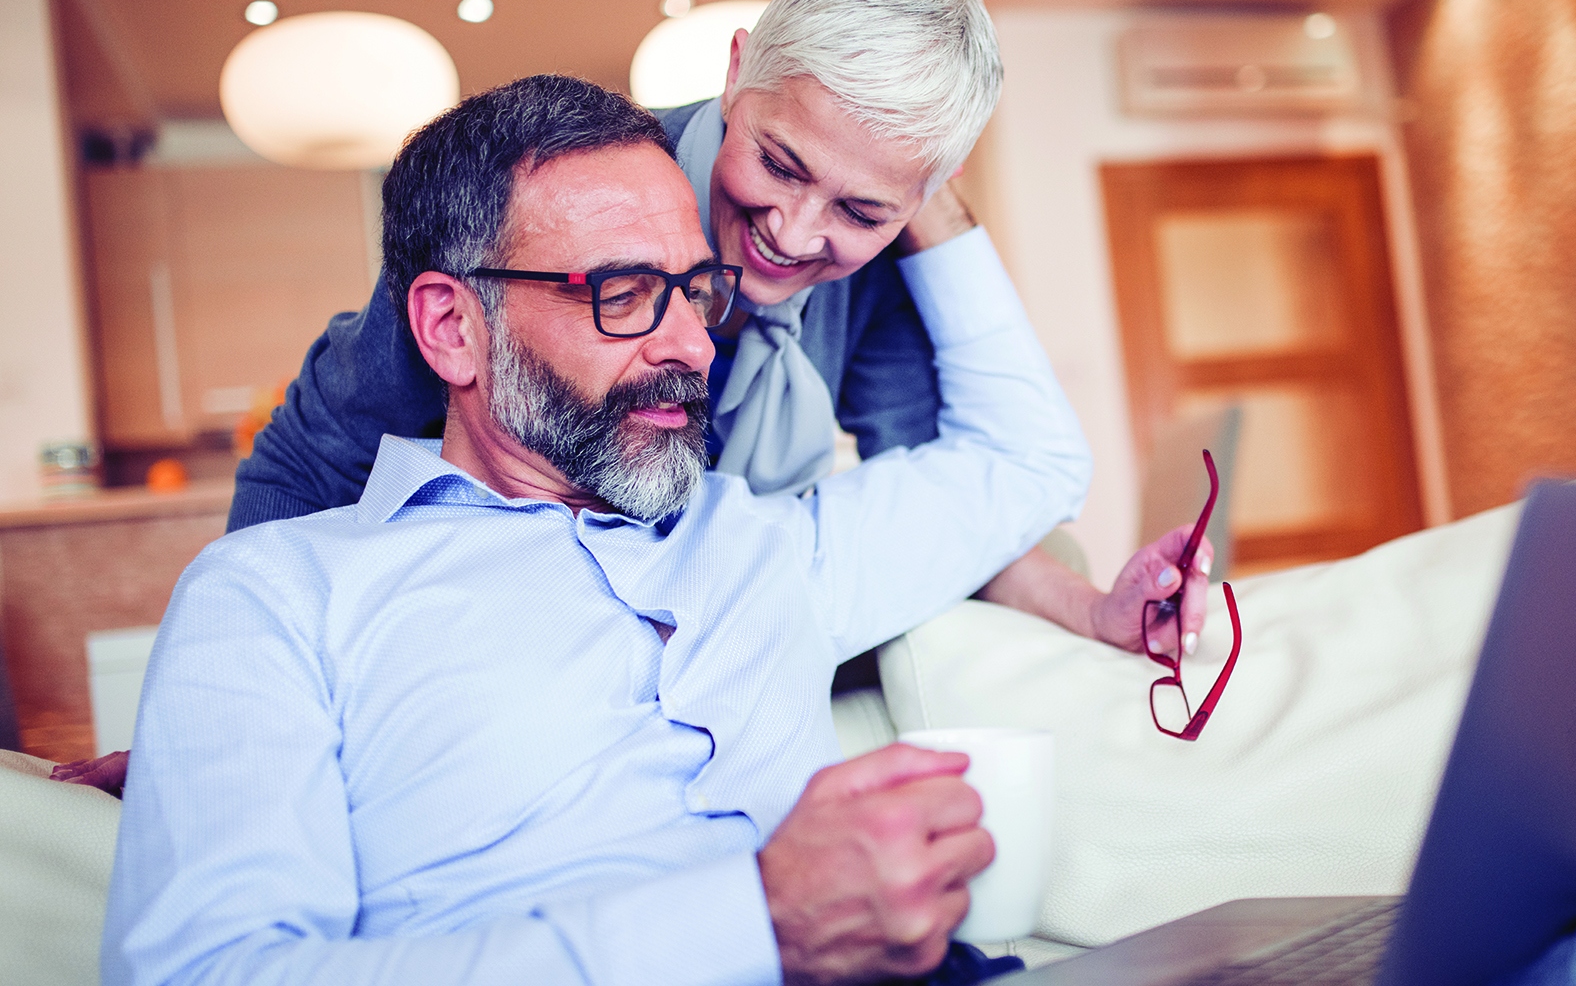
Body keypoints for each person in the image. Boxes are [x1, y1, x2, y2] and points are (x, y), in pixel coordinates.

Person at [104, 74, 1094, 985]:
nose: (691, 346)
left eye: (698, 291)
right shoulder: (277, 595)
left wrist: (917, 178)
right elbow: (205, 972)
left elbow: (1028, 462)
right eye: (622, 294)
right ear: (454, 329)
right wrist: (752, 921)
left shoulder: (765, 545)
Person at [231, 0, 1210, 657]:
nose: (793, 233)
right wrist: (251, 690)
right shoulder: (572, 202)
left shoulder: (873, 278)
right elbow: (315, 455)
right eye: (779, 164)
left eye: (863, 208)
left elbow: (950, 502)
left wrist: (1092, 613)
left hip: (725, 644)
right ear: (738, 71)